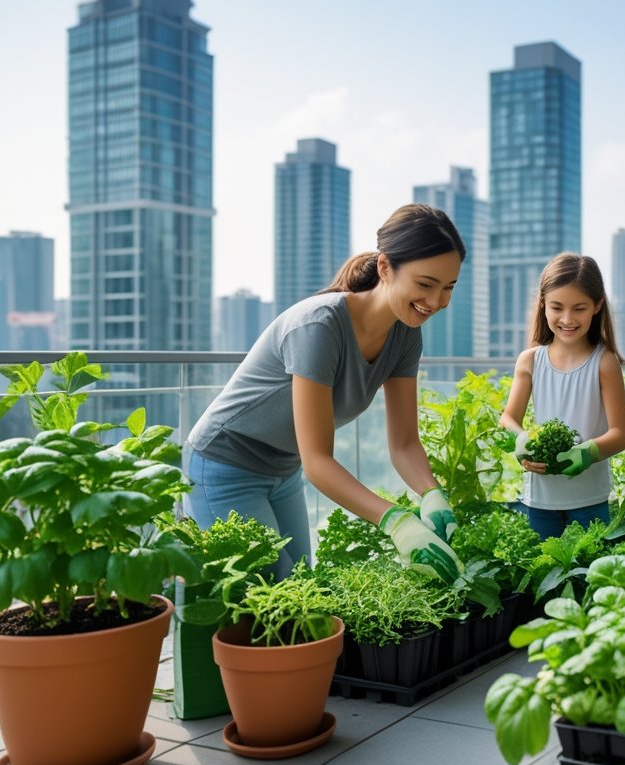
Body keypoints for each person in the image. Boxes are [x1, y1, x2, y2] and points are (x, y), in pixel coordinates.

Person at [184, 203, 465, 581]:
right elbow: (318, 461)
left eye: (448, 288)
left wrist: (432, 494)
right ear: (385, 268)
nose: (436, 302)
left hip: (283, 468)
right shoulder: (321, 325)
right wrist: (395, 521)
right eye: (425, 284)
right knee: (267, 592)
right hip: (224, 463)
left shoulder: (405, 335)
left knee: (301, 584)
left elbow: (404, 444)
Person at [498, 253, 625, 538]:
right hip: (539, 498)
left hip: (590, 499)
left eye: (579, 308)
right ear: (543, 304)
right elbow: (508, 418)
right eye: (557, 307)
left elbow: (620, 434)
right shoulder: (530, 360)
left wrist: (588, 452)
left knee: (589, 576)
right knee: (543, 576)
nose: (567, 319)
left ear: (597, 306)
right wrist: (521, 442)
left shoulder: (604, 362)